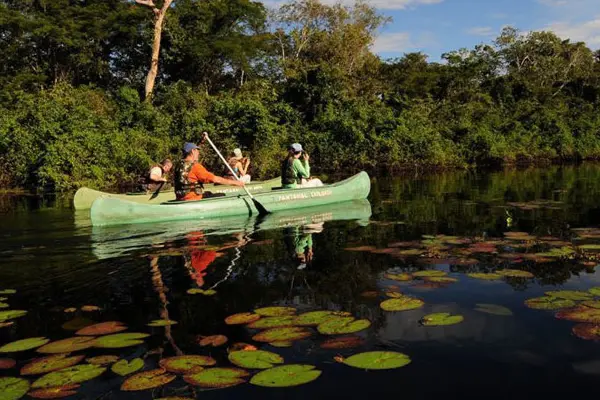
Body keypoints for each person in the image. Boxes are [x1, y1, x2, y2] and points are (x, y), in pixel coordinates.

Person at [174, 142, 244, 201]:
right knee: (222, 195)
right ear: (193, 151)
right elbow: (215, 179)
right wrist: (235, 183)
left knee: (208, 193)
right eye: (197, 151)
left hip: (181, 198)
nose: (199, 153)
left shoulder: (178, 165)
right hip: (193, 198)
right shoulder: (195, 166)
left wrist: (202, 140)